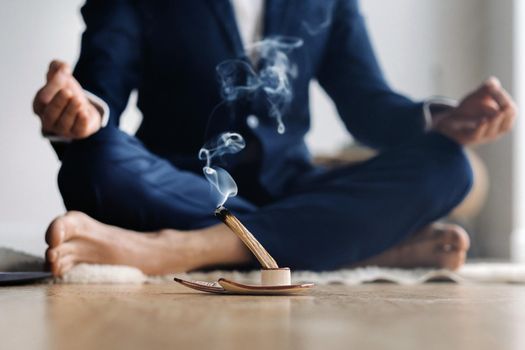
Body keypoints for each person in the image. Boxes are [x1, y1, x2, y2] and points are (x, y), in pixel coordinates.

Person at [33, 0, 517, 277]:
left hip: (294, 185)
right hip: (181, 184)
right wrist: (79, 113)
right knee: (94, 166)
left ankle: (182, 249)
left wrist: (443, 120)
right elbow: (100, 95)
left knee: (449, 166)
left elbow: (367, 105)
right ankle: (360, 244)